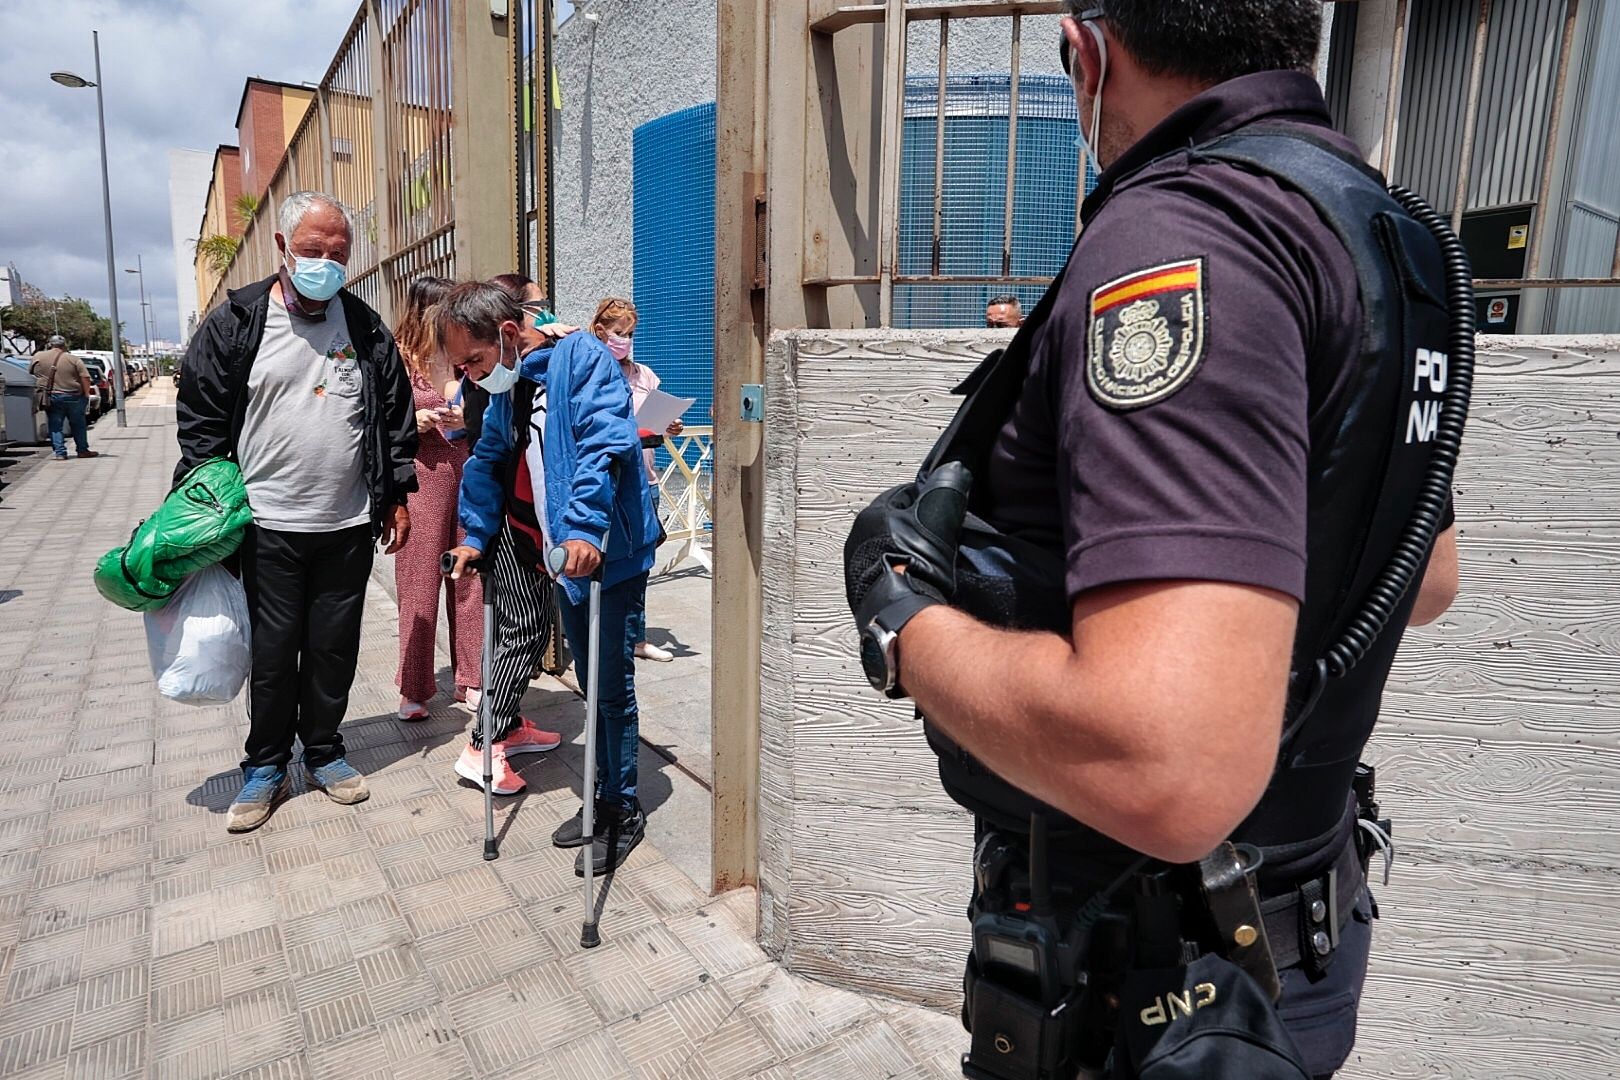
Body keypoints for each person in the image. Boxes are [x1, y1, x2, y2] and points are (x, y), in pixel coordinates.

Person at [843, 4, 1463, 1078]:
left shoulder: (1180, 240)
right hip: (1290, 948)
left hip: (1146, 985)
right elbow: (1428, 576)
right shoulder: (1379, 232)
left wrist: (901, 618)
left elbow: (1165, 766)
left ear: (1089, 57)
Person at [176, 190, 418, 833]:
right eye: (312, 251)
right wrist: (209, 499)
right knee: (276, 652)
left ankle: (326, 750)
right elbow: (200, 421)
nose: (325, 263)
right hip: (267, 526)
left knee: (334, 648)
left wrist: (394, 496)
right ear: (283, 248)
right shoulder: (238, 322)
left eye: (337, 253)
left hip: (346, 523)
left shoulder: (365, 328)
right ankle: (264, 765)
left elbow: (395, 420)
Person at [440, 283, 660, 876]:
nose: (469, 375)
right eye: (461, 367)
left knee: (611, 683)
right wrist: (473, 535)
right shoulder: (508, 387)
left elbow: (603, 446)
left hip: (604, 552)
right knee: (593, 682)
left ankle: (621, 804)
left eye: (474, 362)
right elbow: (487, 461)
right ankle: (603, 792)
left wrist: (586, 531)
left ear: (507, 336)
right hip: (562, 560)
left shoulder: (580, 358)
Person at [391, 275, 483, 720]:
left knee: (470, 576)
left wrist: (467, 414)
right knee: (419, 583)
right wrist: (415, 419)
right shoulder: (397, 356)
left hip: (467, 471)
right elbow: (375, 417)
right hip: (422, 476)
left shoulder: (462, 354)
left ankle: (473, 677)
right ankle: (414, 687)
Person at [591, 297, 683, 663]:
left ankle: (637, 638)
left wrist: (669, 425)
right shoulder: (593, 372)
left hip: (647, 480)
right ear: (600, 332)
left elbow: (654, 421)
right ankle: (605, 635)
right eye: (619, 333)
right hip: (610, 482)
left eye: (630, 334)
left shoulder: (644, 375)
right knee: (608, 563)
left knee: (641, 564)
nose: (625, 340)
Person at [29, 335, 98, 460]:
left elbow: (32, 372)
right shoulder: (73, 359)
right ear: (64, 345)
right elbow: (85, 377)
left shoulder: (38, 356)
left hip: (52, 396)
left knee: (55, 424)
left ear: (50, 344)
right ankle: (82, 450)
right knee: (78, 424)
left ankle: (60, 453)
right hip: (74, 396)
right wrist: (87, 394)